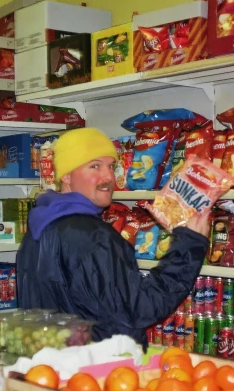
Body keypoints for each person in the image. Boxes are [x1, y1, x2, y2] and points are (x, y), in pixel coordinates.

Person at [17, 127, 209, 348]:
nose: (108, 177)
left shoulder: (37, 228)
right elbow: (140, 308)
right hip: (99, 372)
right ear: (67, 175)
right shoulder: (91, 235)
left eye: (111, 166)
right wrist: (189, 245)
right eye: (95, 166)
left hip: (52, 368)